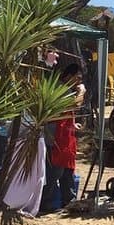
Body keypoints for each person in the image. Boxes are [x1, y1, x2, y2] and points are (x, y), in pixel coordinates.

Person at [40, 65, 85, 214]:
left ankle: (69, 202)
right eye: (77, 77)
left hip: (65, 138)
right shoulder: (60, 90)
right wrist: (81, 92)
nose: (78, 81)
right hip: (56, 139)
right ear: (68, 76)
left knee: (67, 173)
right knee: (54, 173)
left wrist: (72, 124)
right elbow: (74, 105)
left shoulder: (65, 90)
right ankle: (45, 204)